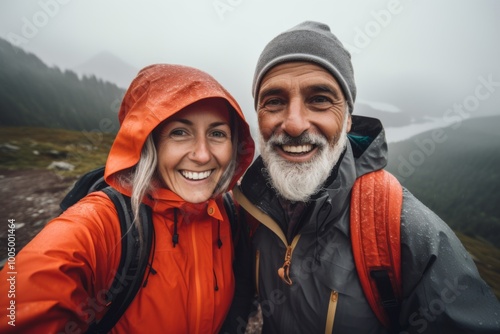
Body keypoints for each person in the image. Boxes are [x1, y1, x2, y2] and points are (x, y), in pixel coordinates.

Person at [231, 21, 500, 333]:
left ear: (347, 119)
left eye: (319, 99)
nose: (294, 124)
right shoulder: (249, 210)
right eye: (274, 101)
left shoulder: (406, 232)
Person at [0, 64, 255, 333]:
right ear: (148, 143)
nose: (203, 155)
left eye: (217, 133)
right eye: (180, 132)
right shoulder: (103, 221)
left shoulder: (230, 212)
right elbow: (21, 300)